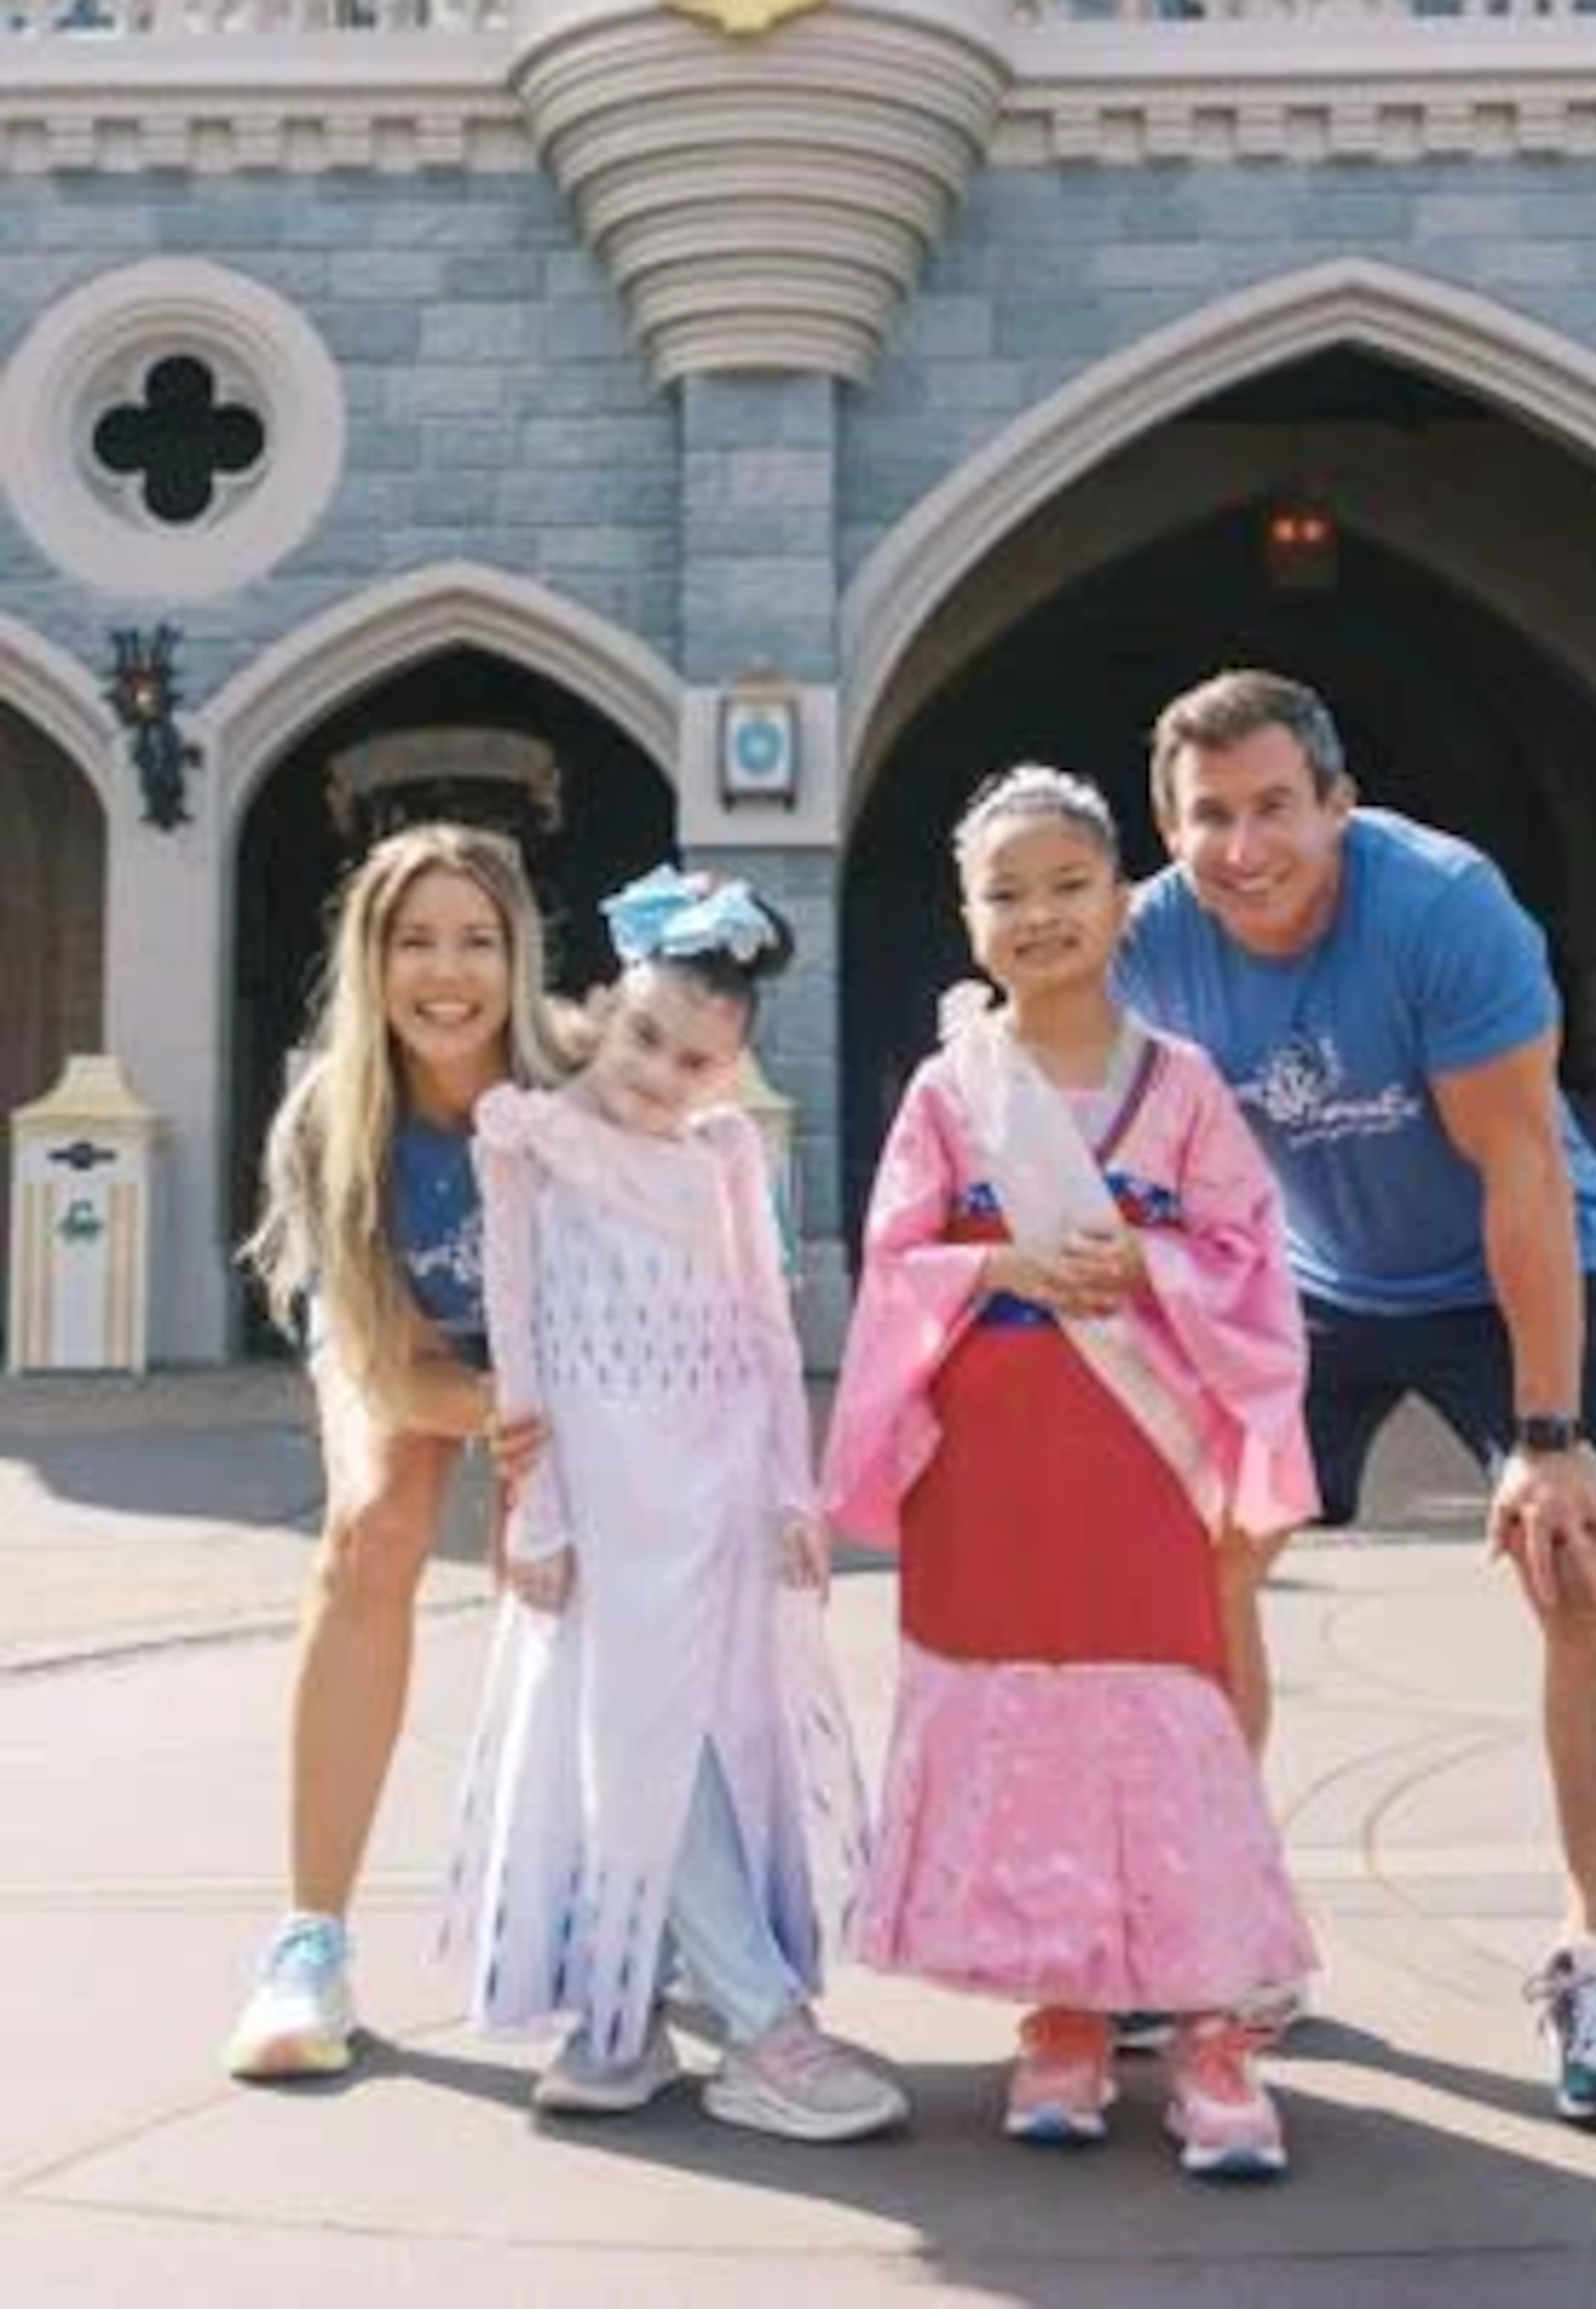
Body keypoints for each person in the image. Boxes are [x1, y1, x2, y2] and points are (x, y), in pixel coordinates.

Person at [1116, 669, 1596, 2132]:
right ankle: (1236, 1925)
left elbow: (1524, 1170)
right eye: (1210, 816)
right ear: (1171, 831)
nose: (1245, 847)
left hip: (1509, 1266)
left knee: (1580, 1566)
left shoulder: (1443, 909)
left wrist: (1547, 1438)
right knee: (1206, 1557)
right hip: (1313, 1278)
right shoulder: (1152, 936)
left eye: (1275, 808)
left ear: (1339, 804)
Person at [824, 766, 1318, 2180]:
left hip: (1137, 1457)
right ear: (969, 917)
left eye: (1067, 885)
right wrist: (1002, 1266)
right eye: (1007, 892)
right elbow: (894, 1262)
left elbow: (1250, 1257)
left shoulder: (1185, 1085)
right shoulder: (950, 1090)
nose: (1039, 914)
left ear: (1121, 900)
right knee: (1021, 1725)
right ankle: (1063, 2011)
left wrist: (1145, 1262)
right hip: (991, 1463)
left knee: (1167, 1718)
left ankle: (1213, 2026)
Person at [442, 864, 907, 2143]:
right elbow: (518, 1335)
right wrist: (538, 1513)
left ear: (729, 1071)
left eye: (696, 1060)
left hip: (719, 1490)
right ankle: (755, 2024)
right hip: (606, 1500)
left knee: (709, 1738)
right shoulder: (531, 1142)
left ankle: (624, 2009)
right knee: (641, 1746)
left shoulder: (726, 1155)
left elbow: (765, 1329)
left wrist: (790, 1488)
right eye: (645, 1036)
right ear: (604, 1006)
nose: (660, 1074)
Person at [226, 822, 568, 2081]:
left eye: (477, 940)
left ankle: (606, 1899)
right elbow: (383, 1365)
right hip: (409, 1337)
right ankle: (308, 1944)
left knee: (559, 1567)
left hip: (563, 1346)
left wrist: (546, 1430)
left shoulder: (577, 1086)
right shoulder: (338, 1117)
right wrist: (486, 1407)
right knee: (372, 1531)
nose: (447, 972)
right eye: (415, 941)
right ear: (371, 961)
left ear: (519, 955)